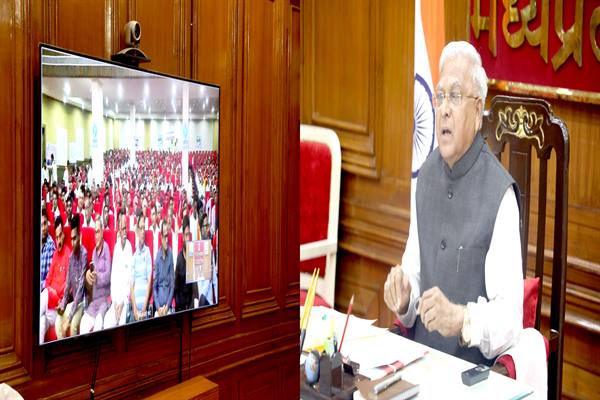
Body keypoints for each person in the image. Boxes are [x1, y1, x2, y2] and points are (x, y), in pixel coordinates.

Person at [383, 41, 523, 367]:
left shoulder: (500, 194)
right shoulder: (425, 176)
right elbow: (414, 277)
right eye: (440, 96)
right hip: (418, 364)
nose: (444, 109)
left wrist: (462, 320)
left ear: (478, 110)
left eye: (455, 96)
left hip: (470, 375)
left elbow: (510, 320)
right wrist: (404, 295)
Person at [39, 216, 71, 343]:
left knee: (45, 293)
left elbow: (68, 286)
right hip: (49, 307)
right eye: (56, 237)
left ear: (64, 235)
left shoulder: (68, 255)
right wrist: (50, 289)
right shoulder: (55, 255)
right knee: (41, 323)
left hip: (58, 308)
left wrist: (52, 291)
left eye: (60, 236)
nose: (58, 240)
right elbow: (47, 280)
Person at [56, 214, 88, 339]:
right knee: (58, 321)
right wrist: (62, 306)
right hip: (74, 302)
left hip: (82, 303)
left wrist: (68, 319)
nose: (73, 242)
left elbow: (80, 291)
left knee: (73, 324)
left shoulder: (84, 254)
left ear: (80, 237)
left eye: (75, 238)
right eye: (71, 239)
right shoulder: (71, 258)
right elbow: (68, 285)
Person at [80, 218, 112, 333]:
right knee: (83, 323)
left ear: (102, 232)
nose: (96, 236)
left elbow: (107, 276)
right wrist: (88, 276)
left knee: (98, 322)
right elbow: (91, 278)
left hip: (104, 299)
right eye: (95, 233)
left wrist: (96, 276)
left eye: (98, 232)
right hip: (94, 300)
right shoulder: (94, 252)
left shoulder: (106, 249)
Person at [104, 213, 132, 329]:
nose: (124, 232)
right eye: (122, 229)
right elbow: (113, 276)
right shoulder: (116, 247)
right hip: (116, 299)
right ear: (119, 231)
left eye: (125, 229)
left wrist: (122, 302)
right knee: (107, 322)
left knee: (121, 324)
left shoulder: (129, 247)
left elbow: (130, 279)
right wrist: (115, 302)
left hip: (125, 300)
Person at [129, 211, 152, 321]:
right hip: (134, 308)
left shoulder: (148, 252)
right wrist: (135, 310)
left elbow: (149, 281)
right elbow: (131, 285)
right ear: (137, 231)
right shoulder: (133, 256)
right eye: (141, 229)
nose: (143, 232)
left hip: (144, 307)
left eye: (144, 229)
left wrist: (143, 309)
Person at [175, 216, 201, 311]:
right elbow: (176, 287)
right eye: (186, 235)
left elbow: (195, 286)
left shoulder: (193, 256)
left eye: (189, 235)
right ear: (182, 237)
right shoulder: (179, 258)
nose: (188, 238)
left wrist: (191, 306)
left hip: (191, 303)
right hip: (181, 304)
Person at [153, 220, 174, 316]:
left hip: (168, 307)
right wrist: (158, 308)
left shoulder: (171, 254)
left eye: (167, 236)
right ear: (161, 237)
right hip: (159, 308)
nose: (166, 240)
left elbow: (172, 286)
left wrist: (167, 307)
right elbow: (154, 287)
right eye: (164, 236)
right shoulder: (157, 257)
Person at [40, 208, 56, 290]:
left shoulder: (50, 246)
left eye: (45, 223)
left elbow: (49, 280)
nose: (43, 228)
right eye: (40, 225)